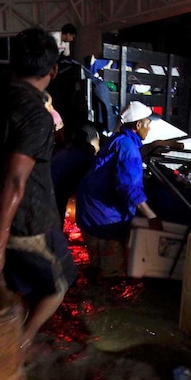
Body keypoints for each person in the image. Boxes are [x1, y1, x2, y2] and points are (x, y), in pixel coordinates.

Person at [0, 27, 78, 353]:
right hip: (27, 221)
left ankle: (10, 332)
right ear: (53, 70)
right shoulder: (36, 115)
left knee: (19, 282)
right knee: (59, 283)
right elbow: (16, 181)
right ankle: (21, 342)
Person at [75, 101, 163, 279]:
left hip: (90, 210)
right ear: (138, 125)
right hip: (102, 217)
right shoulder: (128, 148)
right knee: (112, 275)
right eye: (148, 124)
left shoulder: (119, 139)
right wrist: (152, 217)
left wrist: (154, 146)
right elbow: (129, 188)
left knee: (97, 270)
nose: (150, 128)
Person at [51, 124, 100, 222]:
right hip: (57, 203)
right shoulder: (86, 159)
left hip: (48, 199)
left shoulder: (65, 153)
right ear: (92, 140)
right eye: (98, 141)